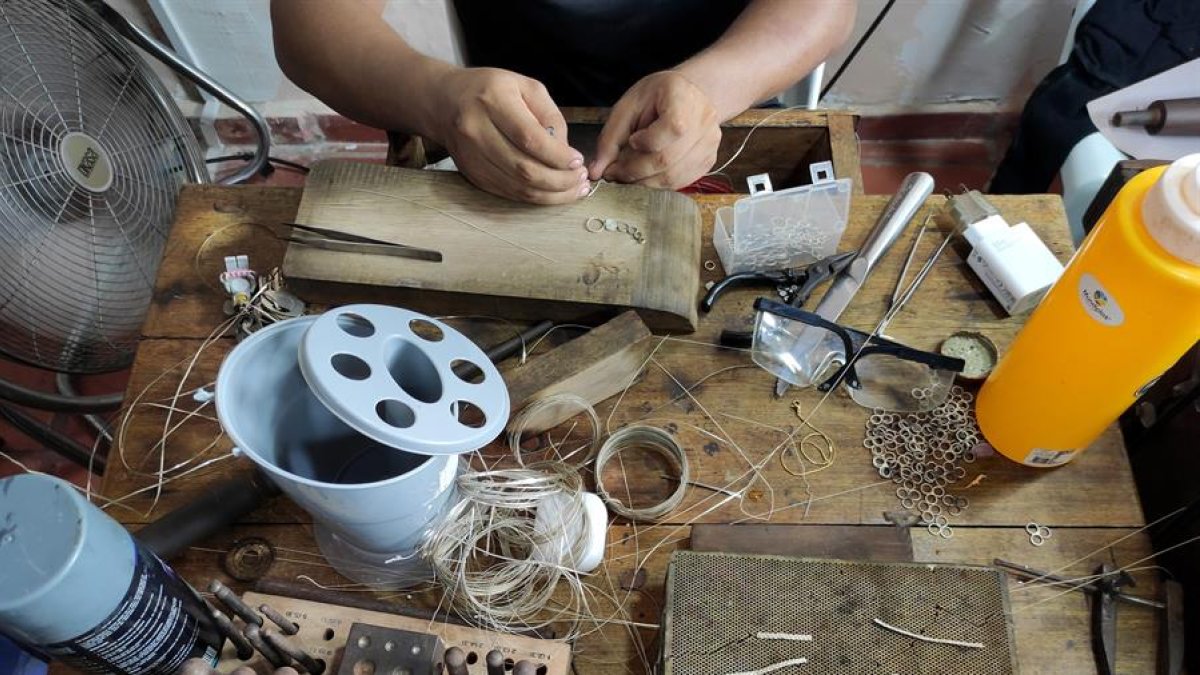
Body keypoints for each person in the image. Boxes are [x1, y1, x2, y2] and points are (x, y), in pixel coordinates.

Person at [271, 0, 855, 204]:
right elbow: (309, 23)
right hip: (503, 134)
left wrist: (707, 92)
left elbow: (825, 7)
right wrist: (437, 99)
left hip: (721, 115)